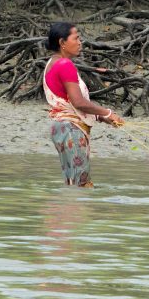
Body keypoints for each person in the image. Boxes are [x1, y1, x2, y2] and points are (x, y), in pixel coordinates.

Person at [44, 22, 124, 187]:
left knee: (71, 182)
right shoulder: (65, 65)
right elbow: (78, 102)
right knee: (81, 184)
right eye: (76, 38)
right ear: (62, 42)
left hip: (61, 129)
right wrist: (107, 112)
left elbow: (68, 102)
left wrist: (101, 117)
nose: (80, 42)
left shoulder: (52, 63)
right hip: (72, 130)